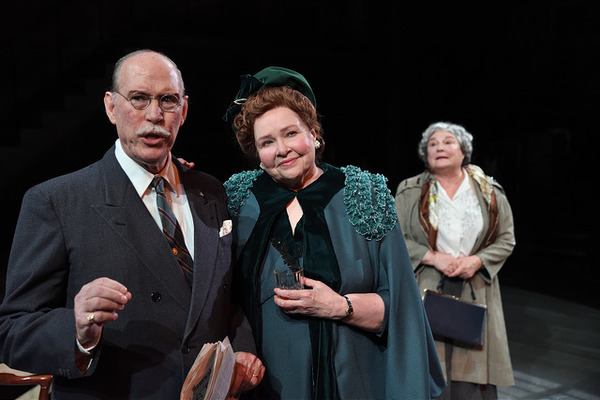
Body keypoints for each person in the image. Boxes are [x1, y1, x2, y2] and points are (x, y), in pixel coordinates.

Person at [0, 49, 264, 400]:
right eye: (139, 99)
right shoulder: (56, 201)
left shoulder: (210, 192)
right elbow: (13, 330)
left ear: (183, 111)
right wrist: (78, 331)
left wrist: (242, 351)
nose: (154, 115)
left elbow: (226, 298)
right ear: (111, 107)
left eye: (168, 100)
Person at [221, 66, 446, 399]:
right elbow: (223, 299)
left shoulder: (363, 195)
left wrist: (340, 305)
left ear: (314, 133)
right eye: (267, 142)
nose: (282, 149)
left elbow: (401, 307)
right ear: (256, 153)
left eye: (291, 133)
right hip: (267, 386)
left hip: (352, 382)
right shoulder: (240, 200)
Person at [394, 122, 516, 399]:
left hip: (475, 286)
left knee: (471, 367)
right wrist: (432, 257)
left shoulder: (489, 191)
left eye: (448, 142)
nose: (439, 147)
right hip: (426, 284)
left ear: (464, 152)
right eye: (433, 144)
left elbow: (506, 238)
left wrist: (477, 261)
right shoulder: (409, 190)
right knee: (428, 362)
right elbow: (395, 237)